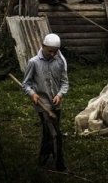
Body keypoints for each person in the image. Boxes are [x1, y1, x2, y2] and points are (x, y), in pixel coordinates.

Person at [22, 33, 69, 171]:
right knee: (55, 133)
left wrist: (60, 95)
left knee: (48, 132)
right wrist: (33, 94)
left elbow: (65, 83)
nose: (52, 54)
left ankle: (43, 158)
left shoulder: (60, 62)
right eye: (50, 51)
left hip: (56, 104)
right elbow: (26, 84)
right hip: (42, 104)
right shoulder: (34, 62)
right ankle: (59, 164)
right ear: (42, 46)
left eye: (55, 51)